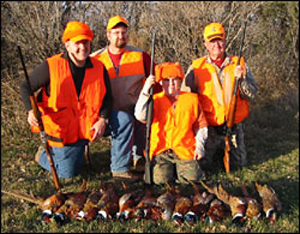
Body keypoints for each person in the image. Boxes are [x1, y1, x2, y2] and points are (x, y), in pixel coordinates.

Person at [20, 21, 113, 178]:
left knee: (123, 120)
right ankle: (43, 154)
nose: (82, 47)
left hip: (87, 128)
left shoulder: (99, 67)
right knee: (67, 173)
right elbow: (25, 87)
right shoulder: (51, 66)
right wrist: (30, 110)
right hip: (62, 131)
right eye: (78, 43)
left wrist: (103, 120)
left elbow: (108, 98)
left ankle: (120, 167)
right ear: (67, 45)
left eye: (86, 42)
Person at [91, 15, 162, 180]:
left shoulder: (140, 55)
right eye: (116, 33)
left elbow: (157, 83)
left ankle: (139, 157)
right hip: (106, 114)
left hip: (135, 111)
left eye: (123, 32)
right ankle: (120, 168)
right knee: (124, 120)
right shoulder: (96, 59)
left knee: (145, 113)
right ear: (108, 35)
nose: (120, 36)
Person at [181, 22, 258, 170]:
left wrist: (242, 80)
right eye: (211, 41)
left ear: (225, 40)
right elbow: (185, 98)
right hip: (208, 127)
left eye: (219, 40)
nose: (216, 44)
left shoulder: (238, 63)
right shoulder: (196, 67)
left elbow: (252, 93)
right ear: (205, 44)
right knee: (204, 165)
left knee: (239, 165)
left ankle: (226, 150)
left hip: (233, 125)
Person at [134, 62, 208, 184]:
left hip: (184, 148)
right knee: (160, 181)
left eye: (175, 79)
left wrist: (199, 147)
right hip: (161, 151)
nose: (171, 84)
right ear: (160, 82)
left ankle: (182, 170)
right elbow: (139, 115)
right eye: (167, 80)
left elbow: (201, 126)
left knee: (192, 180)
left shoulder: (192, 99)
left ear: (180, 81)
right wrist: (145, 90)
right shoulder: (154, 100)